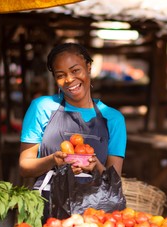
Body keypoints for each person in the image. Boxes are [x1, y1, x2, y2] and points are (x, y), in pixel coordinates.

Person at [19, 42, 127, 217]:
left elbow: (114, 181)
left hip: (95, 213)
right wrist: (54, 161)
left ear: (89, 67)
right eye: (60, 75)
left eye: (75, 71)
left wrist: (95, 165)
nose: (69, 79)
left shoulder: (113, 119)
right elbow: (24, 167)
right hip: (47, 209)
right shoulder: (42, 107)